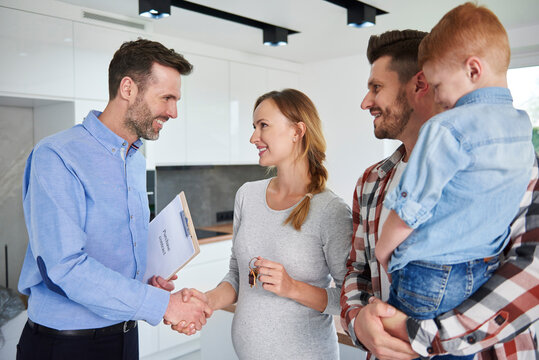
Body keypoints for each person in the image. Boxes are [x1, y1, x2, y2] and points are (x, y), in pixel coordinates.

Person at [340, 28, 539, 360]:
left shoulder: (517, 165)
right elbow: (357, 270)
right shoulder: (372, 181)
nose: (366, 102)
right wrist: (358, 321)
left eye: (376, 88)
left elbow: (532, 268)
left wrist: (430, 337)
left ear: (420, 84)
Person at [17, 39, 211, 360]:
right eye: (167, 98)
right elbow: (64, 267)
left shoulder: (134, 157)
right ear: (128, 88)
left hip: (123, 337)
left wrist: (145, 280)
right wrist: (162, 305)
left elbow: (110, 248)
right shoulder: (57, 155)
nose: (173, 112)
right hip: (66, 344)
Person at [178, 89, 352, 358]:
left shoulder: (330, 211)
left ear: (297, 131)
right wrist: (207, 300)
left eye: (264, 126)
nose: (253, 137)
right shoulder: (247, 194)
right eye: (254, 126)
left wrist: (292, 287)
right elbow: (238, 275)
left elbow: (347, 300)